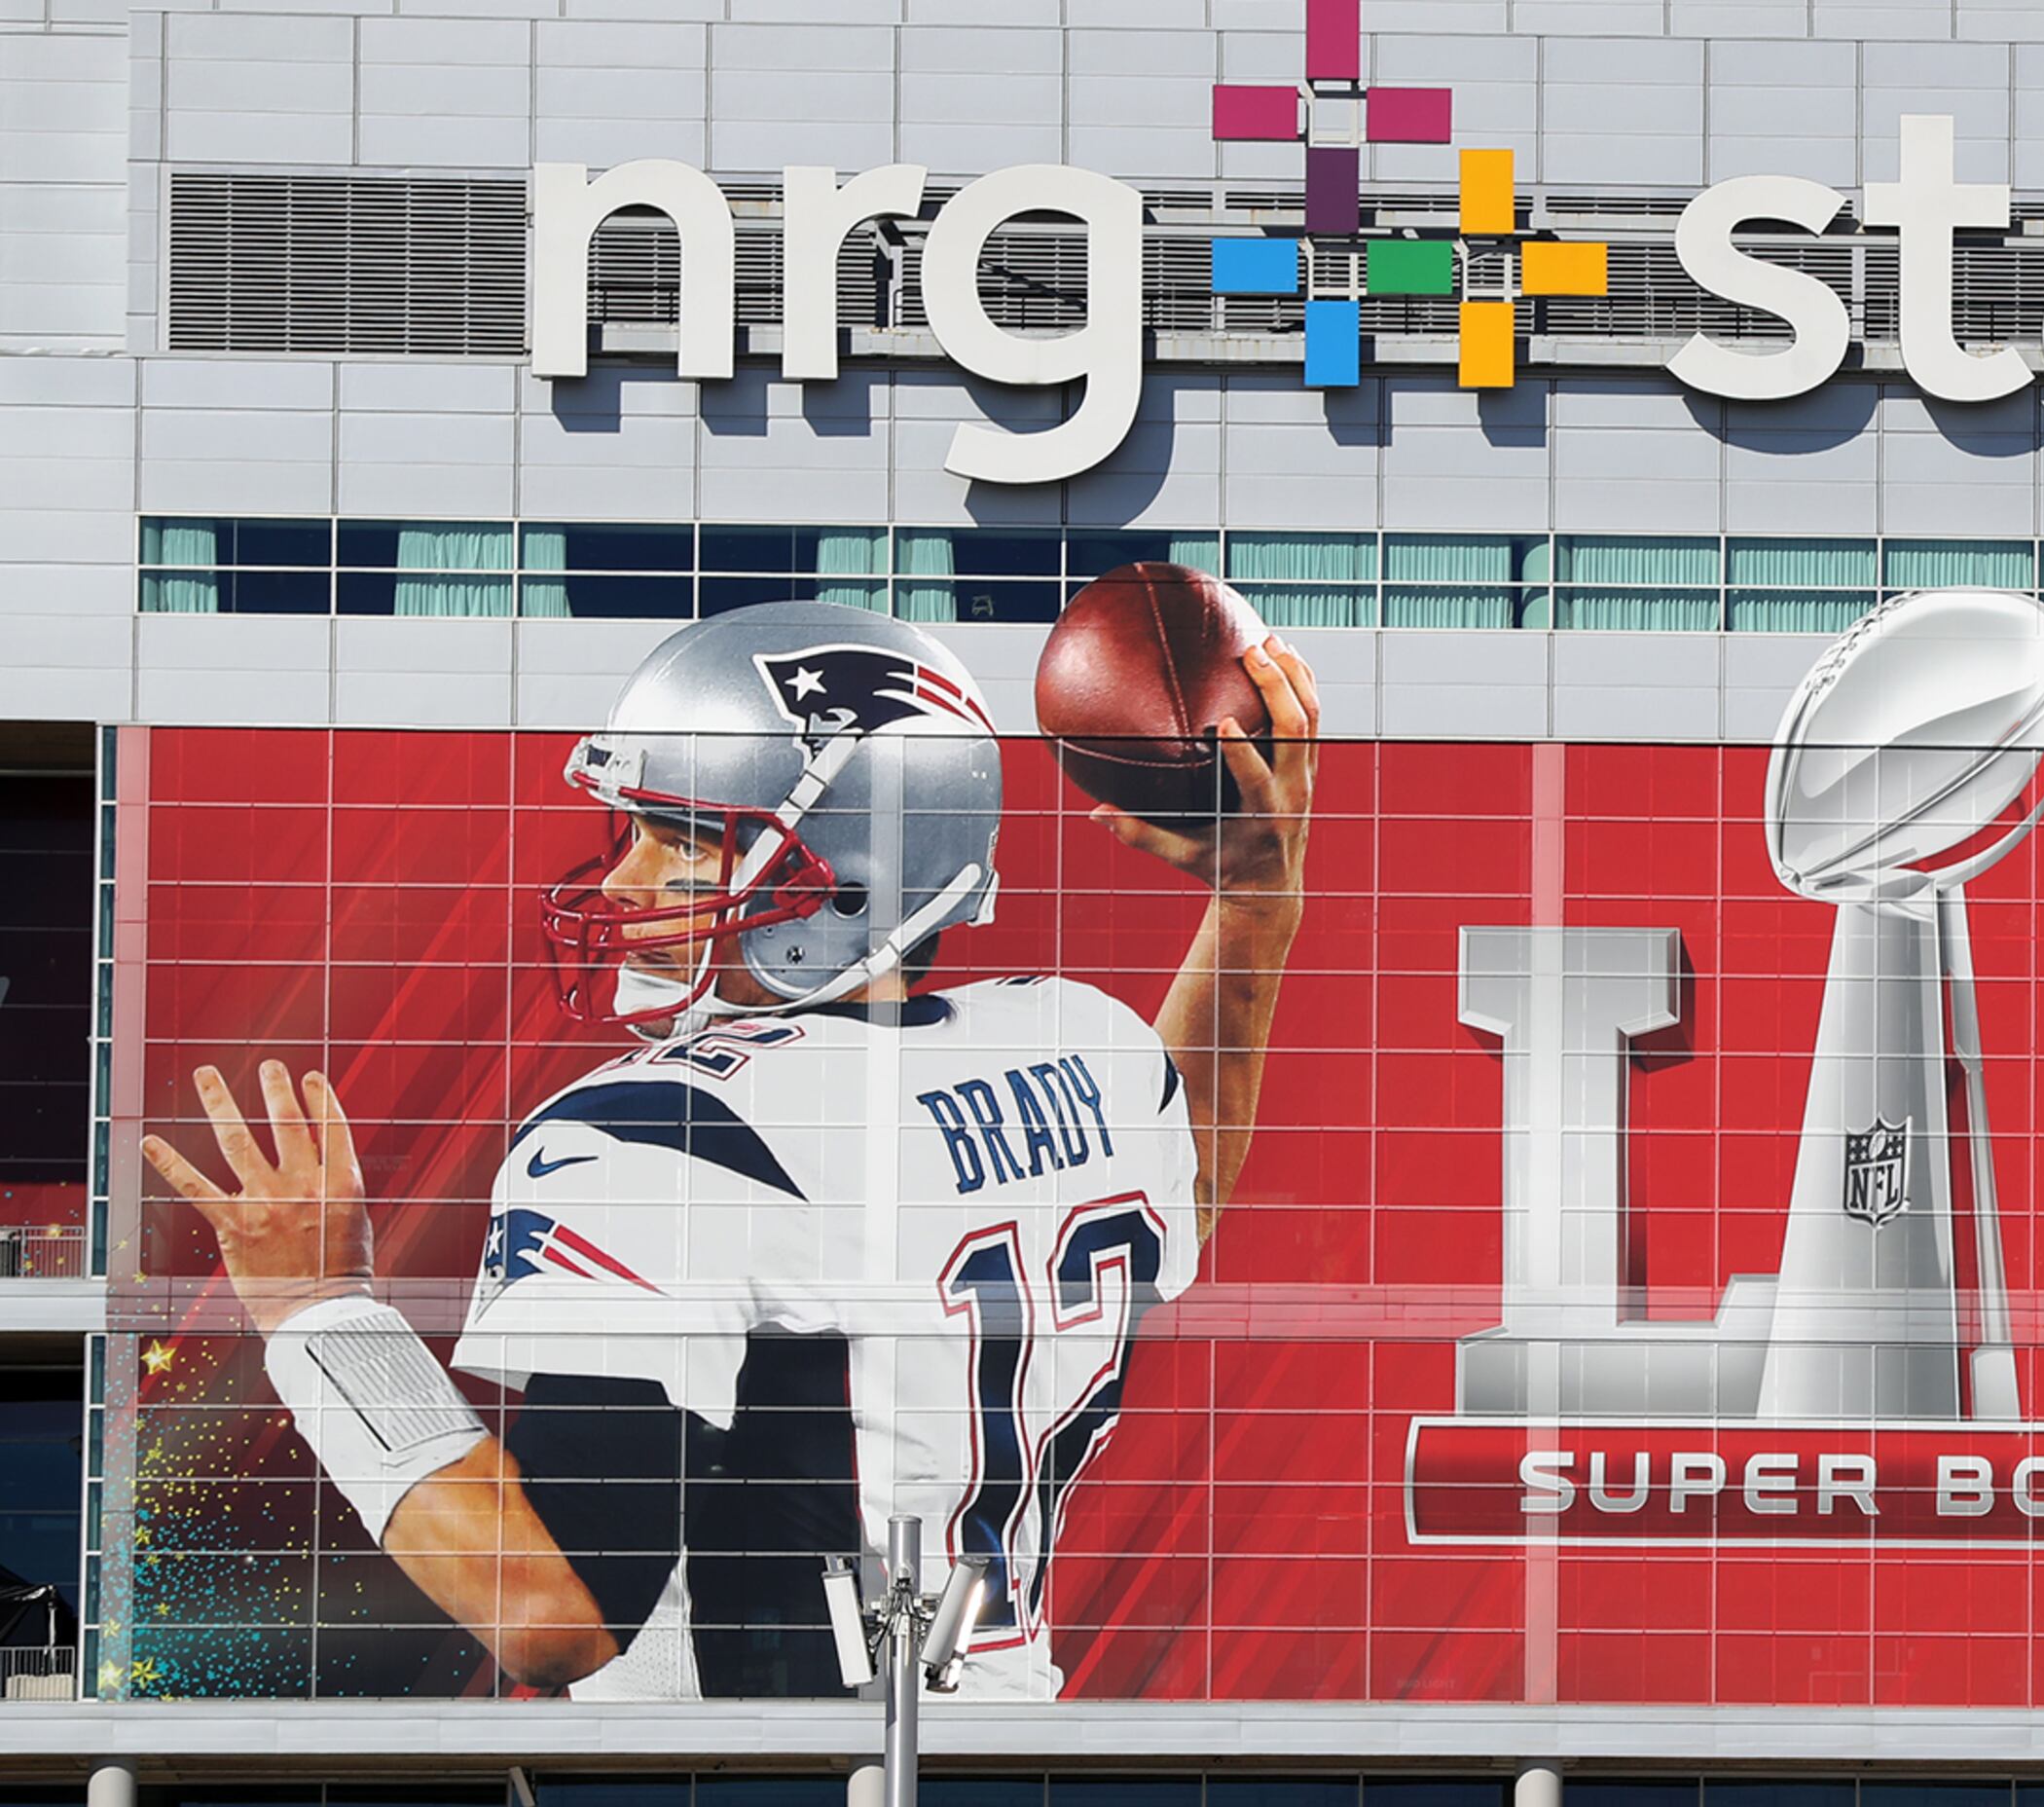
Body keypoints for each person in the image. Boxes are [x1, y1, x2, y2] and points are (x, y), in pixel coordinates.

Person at [140, 599, 1317, 1699]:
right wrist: (1258, 902)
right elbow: (1188, 1177)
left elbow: (550, 1612)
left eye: (686, 840)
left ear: (848, 880)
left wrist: (320, 1313)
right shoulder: (1081, 1043)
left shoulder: (656, 1136)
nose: (625, 877)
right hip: (1009, 1760)